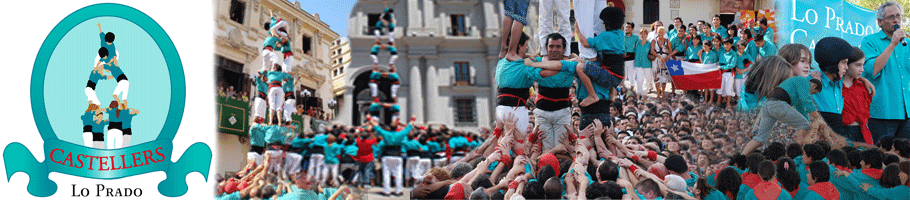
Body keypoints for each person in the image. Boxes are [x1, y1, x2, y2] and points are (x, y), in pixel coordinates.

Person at [741, 56, 815, 155]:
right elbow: (805, 105)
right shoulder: (796, 84)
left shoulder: (756, 91)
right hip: (776, 104)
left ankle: (740, 159)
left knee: (760, 138)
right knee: (804, 125)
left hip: (767, 105)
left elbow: (801, 108)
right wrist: (815, 118)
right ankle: (797, 155)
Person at [860, 1, 910, 141]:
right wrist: (893, 43)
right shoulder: (869, 41)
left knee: (906, 159)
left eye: (898, 16)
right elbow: (873, 70)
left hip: (907, 112)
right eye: (891, 17)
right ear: (880, 22)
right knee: (882, 156)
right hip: (883, 112)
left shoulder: (907, 43)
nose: (896, 20)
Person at [522, 33, 578, 150]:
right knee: (545, 149)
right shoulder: (536, 60)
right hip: (542, 112)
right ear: (546, 48)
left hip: (562, 112)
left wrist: (573, 58)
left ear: (563, 49)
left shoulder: (572, 63)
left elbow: (581, 62)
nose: (554, 50)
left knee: (561, 148)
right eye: (551, 46)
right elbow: (533, 75)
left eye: (558, 46)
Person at [573, 7, 625, 107]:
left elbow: (585, 43)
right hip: (619, 77)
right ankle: (612, 93)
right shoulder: (621, 35)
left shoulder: (605, 36)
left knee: (580, 68)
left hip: (610, 77)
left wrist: (577, 31)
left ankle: (592, 95)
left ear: (607, 24)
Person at [812, 37, 854, 137]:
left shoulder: (839, 81)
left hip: (838, 137)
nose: (846, 67)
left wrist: (865, 81)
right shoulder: (813, 81)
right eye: (844, 62)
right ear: (832, 62)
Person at [495, 32, 533, 134]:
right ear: (520, 46)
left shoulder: (501, 62)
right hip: (516, 109)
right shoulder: (523, 65)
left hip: (501, 109)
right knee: (519, 144)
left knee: (503, 142)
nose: (527, 48)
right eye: (525, 45)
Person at [368, 115, 416, 196]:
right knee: (398, 174)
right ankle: (398, 190)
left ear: (389, 128)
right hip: (397, 156)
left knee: (386, 174)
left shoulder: (385, 133)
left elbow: (376, 127)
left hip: (387, 156)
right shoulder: (400, 134)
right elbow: (409, 127)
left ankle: (387, 191)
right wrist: (412, 119)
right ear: (397, 127)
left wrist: (370, 119)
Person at [842, 47, 874, 144]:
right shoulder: (834, 85)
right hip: (842, 133)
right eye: (858, 65)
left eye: (863, 65)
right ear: (846, 64)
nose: (862, 69)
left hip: (862, 133)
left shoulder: (863, 87)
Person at [718, 38, 739, 108]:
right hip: (720, 72)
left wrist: (722, 67)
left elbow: (732, 65)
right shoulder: (722, 52)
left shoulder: (734, 54)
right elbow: (719, 62)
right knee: (720, 87)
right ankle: (718, 101)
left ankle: (728, 103)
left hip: (729, 73)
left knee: (728, 88)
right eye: (724, 44)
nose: (726, 46)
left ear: (731, 44)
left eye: (727, 44)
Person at [633, 28, 654, 97]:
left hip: (647, 64)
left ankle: (644, 93)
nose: (643, 35)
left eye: (644, 34)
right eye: (641, 34)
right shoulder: (637, 43)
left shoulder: (649, 44)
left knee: (647, 79)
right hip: (638, 63)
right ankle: (639, 93)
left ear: (647, 35)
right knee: (639, 79)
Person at [653, 27, 672, 99]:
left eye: (661, 32)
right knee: (656, 77)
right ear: (656, 32)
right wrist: (659, 57)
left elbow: (670, 50)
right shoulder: (654, 41)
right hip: (656, 60)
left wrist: (668, 57)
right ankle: (658, 93)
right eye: (658, 32)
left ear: (664, 33)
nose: (660, 33)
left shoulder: (667, 41)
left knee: (664, 78)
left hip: (665, 60)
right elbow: (652, 51)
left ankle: (663, 92)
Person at [624, 22, 641, 90]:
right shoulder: (621, 36)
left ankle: (632, 89)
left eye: (629, 27)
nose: (627, 28)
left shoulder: (636, 37)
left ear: (632, 29)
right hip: (623, 58)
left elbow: (638, 47)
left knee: (631, 75)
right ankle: (623, 89)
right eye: (626, 27)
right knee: (623, 74)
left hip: (631, 58)